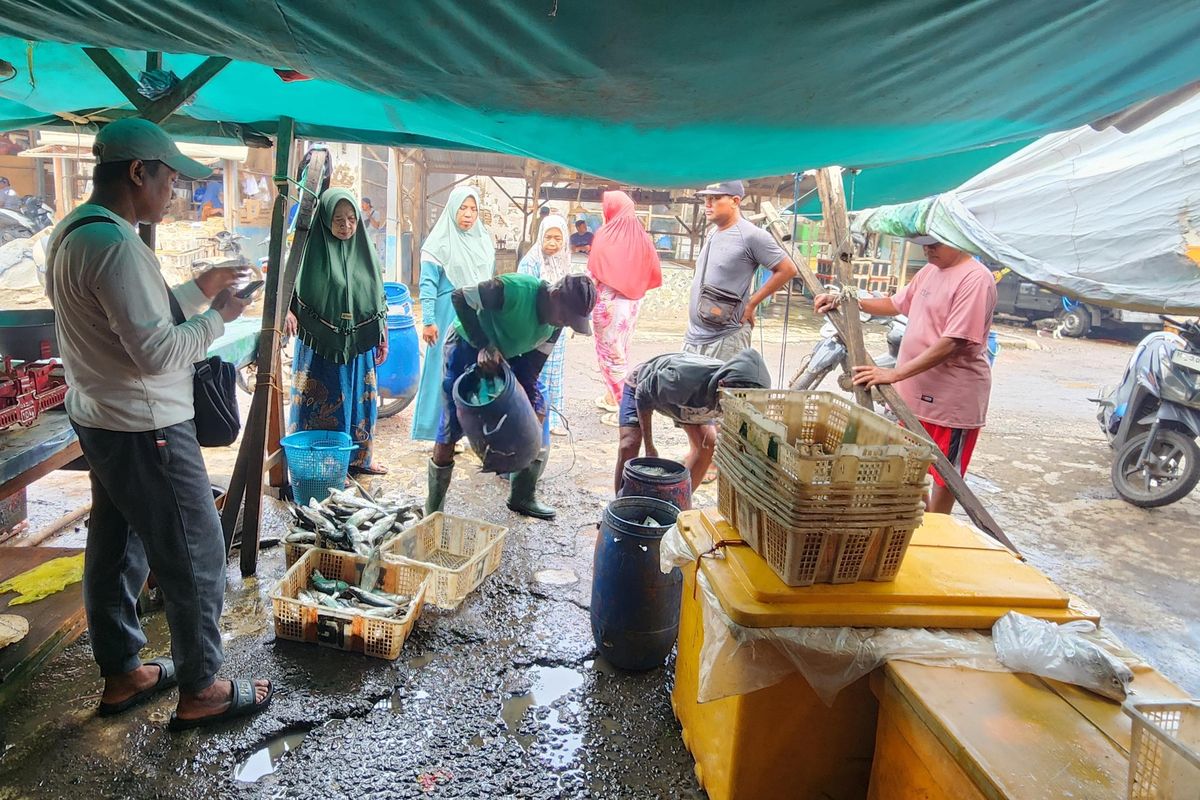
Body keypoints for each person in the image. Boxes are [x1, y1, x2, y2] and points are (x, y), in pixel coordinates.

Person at [42, 118, 270, 730]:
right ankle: (203, 688)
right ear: (138, 172)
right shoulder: (117, 246)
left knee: (117, 545)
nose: (175, 193)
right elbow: (158, 352)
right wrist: (218, 317)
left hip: (103, 420)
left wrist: (197, 291)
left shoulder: (74, 232)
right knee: (196, 551)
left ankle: (123, 671)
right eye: (170, 179)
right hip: (150, 429)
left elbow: (132, 315)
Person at [814, 235, 998, 514]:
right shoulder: (929, 271)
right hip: (913, 398)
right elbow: (896, 304)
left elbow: (954, 341)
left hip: (951, 401)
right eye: (924, 243)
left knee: (945, 477)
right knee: (905, 468)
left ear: (957, 239)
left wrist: (895, 374)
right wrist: (847, 300)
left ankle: (936, 529)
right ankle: (913, 522)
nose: (927, 249)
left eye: (935, 244)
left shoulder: (975, 279)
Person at [426, 273, 597, 519]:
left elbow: (531, 369)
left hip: (507, 355)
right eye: (565, 317)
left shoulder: (555, 326)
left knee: (536, 408)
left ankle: (521, 496)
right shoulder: (511, 290)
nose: (564, 324)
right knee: (451, 425)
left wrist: (523, 409)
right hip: (466, 345)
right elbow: (460, 297)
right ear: (555, 295)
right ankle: (433, 510)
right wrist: (483, 343)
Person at [285, 188, 389, 475]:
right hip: (319, 346)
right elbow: (287, 291)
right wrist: (288, 312)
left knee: (360, 402)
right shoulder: (307, 252)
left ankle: (358, 460)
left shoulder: (365, 253)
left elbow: (378, 298)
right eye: (339, 220)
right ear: (325, 220)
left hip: (360, 344)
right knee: (323, 405)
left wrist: (383, 334)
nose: (346, 226)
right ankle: (322, 467)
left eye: (352, 219)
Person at [615, 349, 769, 494]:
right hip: (642, 386)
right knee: (629, 443)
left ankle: (679, 501)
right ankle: (618, 504)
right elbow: (643, 392)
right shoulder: (682, 381)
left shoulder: (745, 398)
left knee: (708, 444)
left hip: (691, 405)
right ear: (721, 385)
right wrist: (650, 448)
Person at [411, 187, 495, 441]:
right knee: (442, 370)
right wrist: (428, 320)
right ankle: (435, 432)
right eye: (463, 208)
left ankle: (466, 432)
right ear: (452, 209)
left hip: (475, 317)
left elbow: (488, 284)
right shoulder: (439, 242)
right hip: (446, 314)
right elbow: (427, 284)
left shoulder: (483, 241)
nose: (468, 214)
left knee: (472, 369)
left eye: (473, 209)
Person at [684, 180, 798, 360]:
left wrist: (752, 303)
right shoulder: (713, 233)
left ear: (735, 201)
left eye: (715, 198)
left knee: (722, 388)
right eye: (706, 198)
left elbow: (788, 269)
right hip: (694, 336)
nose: (708, 204)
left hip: (725, 338)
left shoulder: (752, 236)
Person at [587, 191, 662, 423]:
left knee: (612, 359)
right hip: (630, 307)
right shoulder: (641, 237)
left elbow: (593, 275)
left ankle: (626, 412)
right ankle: (612, 398)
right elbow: (652, 271)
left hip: (608, 308)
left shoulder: (605, 235)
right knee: (622, 351)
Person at [518, 213, 572, 436]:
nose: (552, 243)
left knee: (555, 372)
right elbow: (525, 296)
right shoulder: (530, 262)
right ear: (540, 237)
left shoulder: (564, 261)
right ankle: (532, 416)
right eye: (548, 237)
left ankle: (554, 418)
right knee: (536, 372)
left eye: (558, 238)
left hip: (557, 326)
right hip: (535, 326)